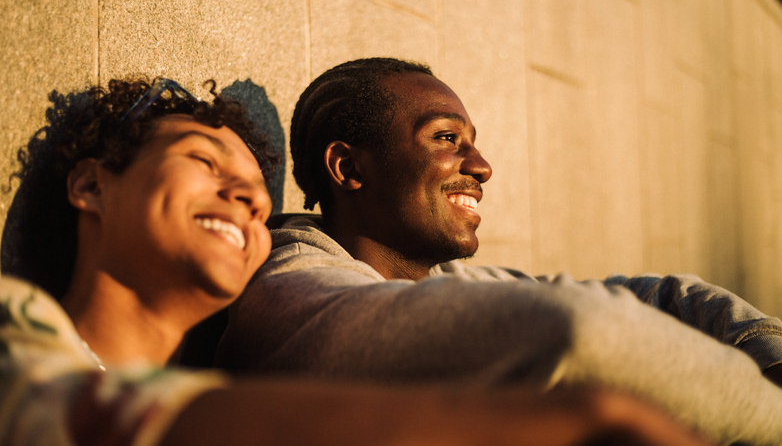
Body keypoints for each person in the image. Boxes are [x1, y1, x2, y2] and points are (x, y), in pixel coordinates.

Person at [0, 77, 712, 446]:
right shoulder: (16, 327)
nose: (247, 200)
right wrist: (582, 421)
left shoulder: (220, 375)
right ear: (91, 186)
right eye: (204, 162)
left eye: (256, 195)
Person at [215, 58, 782, 446]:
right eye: (447, 138)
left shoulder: (449, 281)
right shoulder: (292, 291)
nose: (482, 166)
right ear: (347, 168)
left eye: (472, 142)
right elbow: (581, 329)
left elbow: (662, 297)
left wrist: (771, 354)